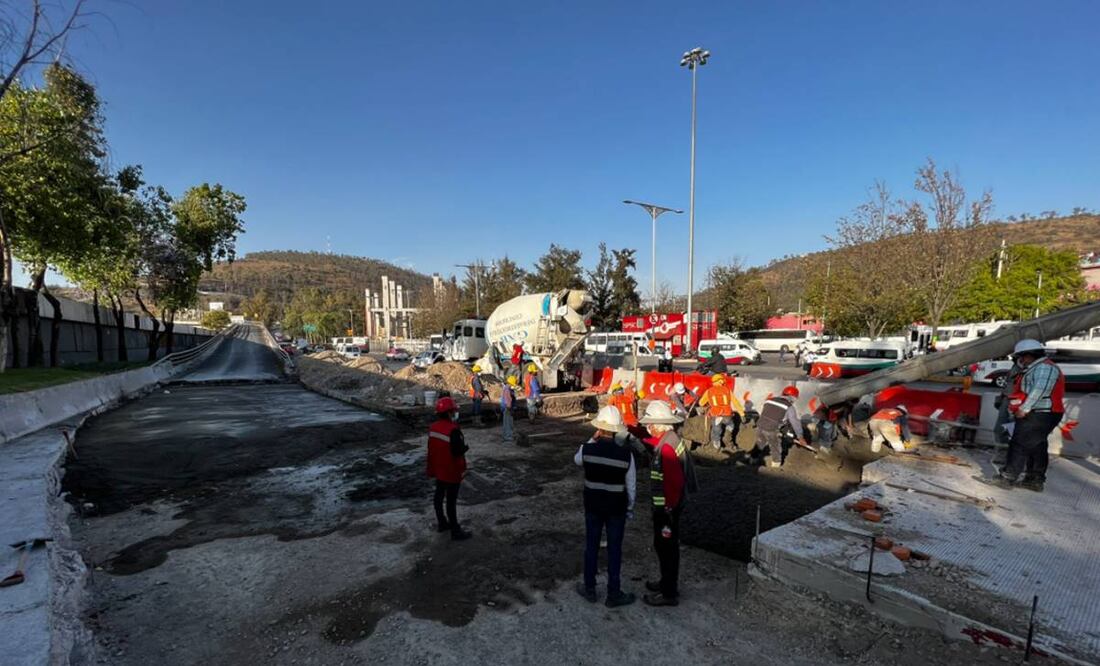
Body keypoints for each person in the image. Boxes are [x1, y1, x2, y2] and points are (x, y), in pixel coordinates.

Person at [981, 339, 1065, 492]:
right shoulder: (1035, 367)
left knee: (1019, 443)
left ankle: (1008, 477)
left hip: (1040, 413)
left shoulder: (1044, 368)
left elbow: (1039, 390)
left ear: (1030, 355)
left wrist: (1024, 409)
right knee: (1037, 446)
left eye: (1022, 357)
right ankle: (1034, 480)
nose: (1020, 360)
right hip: (1043, 412)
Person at [574, 406, 637, 608]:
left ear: (599, 428)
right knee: (614, 549)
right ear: (617, 429)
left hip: (592, 506)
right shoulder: (626, 455)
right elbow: (632, 486)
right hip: (616, 509)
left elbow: (577, 460)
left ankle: (590, 588)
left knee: (591, 547)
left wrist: (592, 439)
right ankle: (613, 593)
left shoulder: (587, 449)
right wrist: (630, 508)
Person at [639, 402, 687, 607]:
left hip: (667, 510)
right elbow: (653, 443)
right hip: (669, 508)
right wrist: (638, 438)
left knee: (666, 548)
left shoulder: (667, 447)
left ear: (659, 425)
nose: (648, 427)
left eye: (650, 424)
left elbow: (674, 482)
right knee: (664, 547)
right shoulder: (670, 439)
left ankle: (668, 593)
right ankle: (666, 583)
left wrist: (667, 509)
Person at [426, 397, 472, 540]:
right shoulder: (453, 430)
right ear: (449, 412)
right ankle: (455, 531)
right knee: (451, 501)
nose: (455, 413)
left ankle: (442, 523)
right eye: (453, 411)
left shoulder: (433, 428)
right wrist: (463, 467)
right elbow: (458, 452)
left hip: (439, 468)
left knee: (439, 496)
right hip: (451, 470)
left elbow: (431, 449)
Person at [754, 386, 808, 468]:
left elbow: (767, 413)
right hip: (772, 429)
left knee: (760, 443)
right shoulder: (789, 407)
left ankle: (752, 459)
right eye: (795, 398)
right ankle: (776, 464)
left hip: (760, 425)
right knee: (775, 447)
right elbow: (795, 422)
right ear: (792, 397)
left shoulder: (769, 400)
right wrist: (800, 437)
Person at [697, 374, 744, 451]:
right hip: (727, 415)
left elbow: (701, 403)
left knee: (716, 431)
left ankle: (717, 446)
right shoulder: (727, 390)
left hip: (716, 416)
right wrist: (742, 413)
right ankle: (728, 438)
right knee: (730, 426)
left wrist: (709, 403)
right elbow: (736, 402)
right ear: (721, 381)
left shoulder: (709, 391)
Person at [501, 375, 517, 443]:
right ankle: (508, 437)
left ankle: (506, 436)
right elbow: (508, 400)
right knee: (508, 423)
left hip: (506, 408)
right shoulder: (507, 390)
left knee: (506, 423)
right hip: (508, 408)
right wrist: (510, 409)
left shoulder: (507, 388)